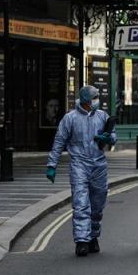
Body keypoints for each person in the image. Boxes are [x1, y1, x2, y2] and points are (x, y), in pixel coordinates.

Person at [45, 85, 116, 257]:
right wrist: (51, 165)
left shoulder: (103, 116)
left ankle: (93, 236)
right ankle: (82, 240)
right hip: (79, 164)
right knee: (81, 202)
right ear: (85, 100)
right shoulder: (70, 118)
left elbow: (113, 137)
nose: (97, 100)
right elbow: (59, 141)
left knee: (98, 204)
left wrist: (108, 138)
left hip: (99, 164)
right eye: (94, 98)